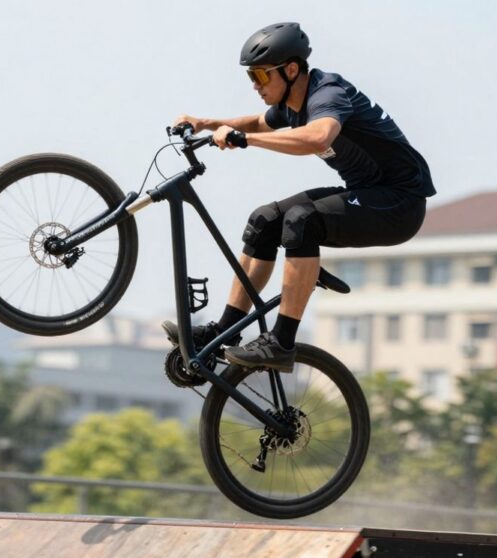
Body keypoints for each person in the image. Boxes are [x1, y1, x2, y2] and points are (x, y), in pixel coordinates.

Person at [166, 22, 435, 373]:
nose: (255, 85)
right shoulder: (293, 101)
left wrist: (245, 141)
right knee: (265, 219)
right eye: (251, 77)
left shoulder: (328, 92)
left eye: (261, 76)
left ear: (291, 70)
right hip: (364, 193)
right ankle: (225, 331)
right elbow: (259, 122)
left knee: (302, 220)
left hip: (399, 204)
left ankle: (281, 342)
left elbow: (319, 137)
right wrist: (205, 122)